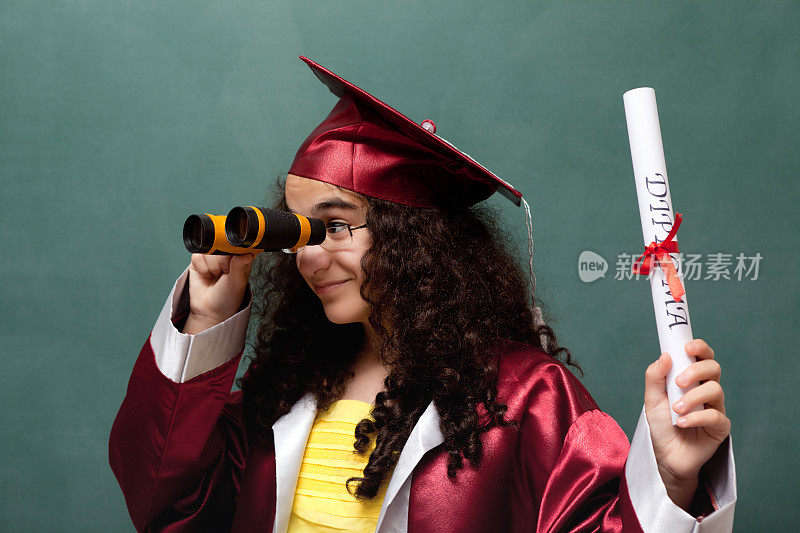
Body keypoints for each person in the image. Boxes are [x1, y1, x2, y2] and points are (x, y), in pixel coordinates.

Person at [109, 57, 736, 532]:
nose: (306, 254)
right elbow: (162, 501)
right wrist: (206, 324)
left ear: (415, 244)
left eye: (333, 226)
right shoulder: (282, 395)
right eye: (295, 230)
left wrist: (672, 478)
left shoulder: (524, 399)